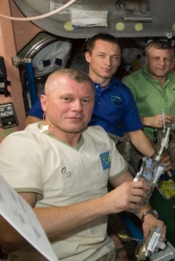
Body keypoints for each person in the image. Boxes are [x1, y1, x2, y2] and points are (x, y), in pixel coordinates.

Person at [0, 69, 166, 261]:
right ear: (44, 102)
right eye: (67, 99)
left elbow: (129, 187)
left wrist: (147, 215)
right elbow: (10, 234)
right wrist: (106, 204)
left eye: (85, 101)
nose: (77, 108)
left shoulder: (99, 138)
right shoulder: (21, 147)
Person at [26, 33, 157, 164]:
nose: (108, 63)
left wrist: (156, 157)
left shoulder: (123, 92)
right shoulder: (67, 84)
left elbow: (135, 133)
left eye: (114, 57)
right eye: (102, 56)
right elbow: (33, 120)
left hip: (108, 151)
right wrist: (51, 145)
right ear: (88, 56)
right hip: (69, 150)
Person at [123, 40, 175, 169]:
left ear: (173, 61)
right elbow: (121, 119)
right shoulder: (131, 82)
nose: (161, 63)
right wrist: (147, 120)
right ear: (146, 60)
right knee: (149, 185)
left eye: (166, 59)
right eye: (156, 58)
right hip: (146, 142)